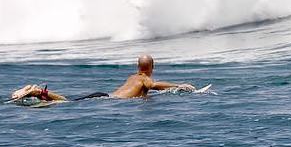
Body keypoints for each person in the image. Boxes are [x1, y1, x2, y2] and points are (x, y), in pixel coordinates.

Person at [10, 55, 199, 105]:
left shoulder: (132, 77)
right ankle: (36, 91)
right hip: (107, 100)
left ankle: (39, 93)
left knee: (68, 102)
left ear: (137, 66)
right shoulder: (143, 80)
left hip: (105, 95)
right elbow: (154, 85)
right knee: (67, 103)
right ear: (152, 68)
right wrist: (178, 85)